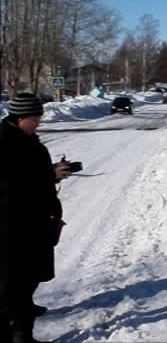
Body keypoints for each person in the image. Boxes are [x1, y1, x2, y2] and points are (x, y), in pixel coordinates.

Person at [1, 93, 70, 343]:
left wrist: (52, 174)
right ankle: (20, 334)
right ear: (20, 118)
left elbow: (30, 175)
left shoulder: (29, 140)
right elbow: (12, 185)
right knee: (14, 283)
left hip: (36, 219)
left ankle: (23, 311)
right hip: (14, 224)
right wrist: (48, 176)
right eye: (35, 117)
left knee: (30, 275)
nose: (39, 121)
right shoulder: (6, 144)